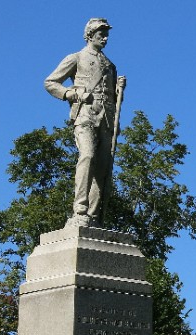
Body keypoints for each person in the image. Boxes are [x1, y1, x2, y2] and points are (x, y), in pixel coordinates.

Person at [45, 18, 126, 227]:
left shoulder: (110, 66)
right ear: (90, 34)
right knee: (87, 156)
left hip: (106, 119)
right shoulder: (77, 58)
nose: (105, 38)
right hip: (85, 115)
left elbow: (112, 98)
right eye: (101, 34)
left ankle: (94, 215)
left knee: (103, 169)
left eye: (107, 34)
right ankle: (79, 210)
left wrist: (119, 92)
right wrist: (72, 94)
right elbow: (51, 83)